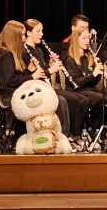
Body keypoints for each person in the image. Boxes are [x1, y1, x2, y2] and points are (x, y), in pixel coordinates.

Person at [0, 20, 71, 139]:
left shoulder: (12, 53)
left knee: (60, 100)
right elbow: (11, 81)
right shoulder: (6, 53)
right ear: (14, 36)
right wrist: (32, 76)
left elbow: (16, 77)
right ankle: (59, 137)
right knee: (58, 100)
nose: (24, 38)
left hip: (20, 92)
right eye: (22, 35)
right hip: (11, 95)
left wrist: (28, 71)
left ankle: (59, 136)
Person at [23, 19, 88, 149]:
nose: (42, 34)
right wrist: (51, 70)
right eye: (38, 31)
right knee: (65, 100)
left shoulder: (39, 50)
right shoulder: (25, 52)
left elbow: (44, 72)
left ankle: (74, 134)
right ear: (28, 33)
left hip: (45, 88)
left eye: (42, 31)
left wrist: (50, 66)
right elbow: (35, 76)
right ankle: (64, 136)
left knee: (80, 99)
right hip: (35, 91)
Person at [62, 24, 107, 145]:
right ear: (76, 40)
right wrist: (93, 74)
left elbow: (93, 82)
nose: (87, 41)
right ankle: (94, 130)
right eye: (84, 38)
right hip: (76, 90)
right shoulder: (69, 59)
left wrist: (98, 72)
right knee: (100, 98)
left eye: (88, 38)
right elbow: (76, 82)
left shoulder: (88, 57)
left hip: (89, 89)